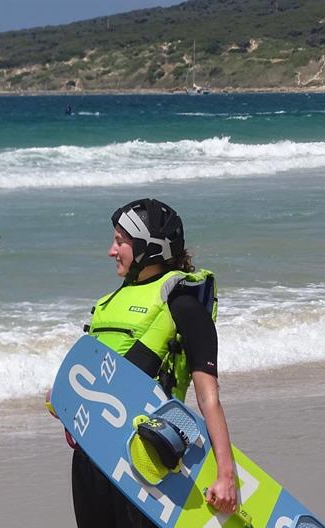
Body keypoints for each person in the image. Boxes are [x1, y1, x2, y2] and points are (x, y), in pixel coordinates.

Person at [71, 198, 237, 527]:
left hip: (146, 459)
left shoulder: (183, 304)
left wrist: (226, 473)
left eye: (120, 241)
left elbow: (208, 396)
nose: (111, 251)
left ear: (151, 247)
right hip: (91, 456)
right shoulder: (107, 303)